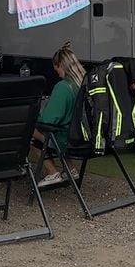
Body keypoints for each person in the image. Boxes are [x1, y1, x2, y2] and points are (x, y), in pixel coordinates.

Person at [34, 42, 85, 187]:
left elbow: (48, 120)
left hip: (67, 139)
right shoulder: (83, 84)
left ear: (60, 65)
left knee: (30, 131)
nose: (55, 71)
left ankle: (52, 172)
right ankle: (70, 169)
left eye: (55, 67)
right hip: (84, 137)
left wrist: (34, 116)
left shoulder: (63, 87)